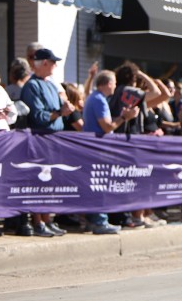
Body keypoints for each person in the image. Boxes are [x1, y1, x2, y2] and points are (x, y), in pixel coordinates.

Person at [20, 47, 75, 237]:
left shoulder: (51, 85)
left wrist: (65, 109)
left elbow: (57, 111)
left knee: (51, 181)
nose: (55, 66)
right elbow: (38, 116)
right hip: (40, 139)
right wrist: (60, 112)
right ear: (44, 63)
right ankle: (38, 222)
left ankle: (47, 219)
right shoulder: (32, 86)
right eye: (53, 62)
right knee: (39, 181)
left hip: (54, 138)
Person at [81, 70, 137, 235]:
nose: (115, 86)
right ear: (108, 83)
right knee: (100, 184)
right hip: (98, 149)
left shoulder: (94, 97)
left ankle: (94, 220)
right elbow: (106, 127)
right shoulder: (99, 99)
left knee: (95, 184)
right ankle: (100, 221)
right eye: (114, 83)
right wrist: (125, 117)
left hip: (93, 148)